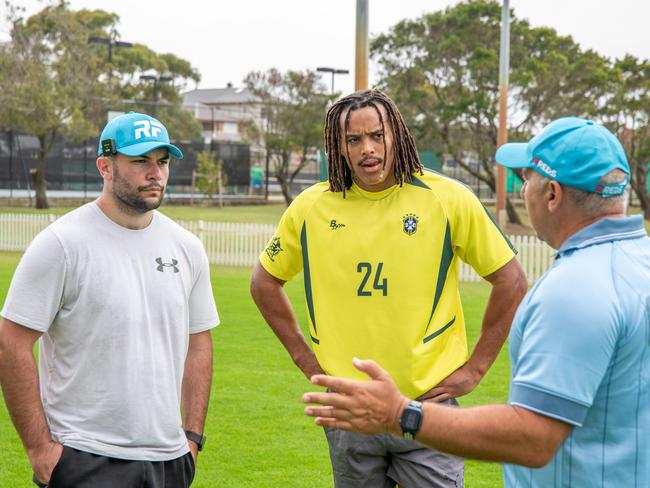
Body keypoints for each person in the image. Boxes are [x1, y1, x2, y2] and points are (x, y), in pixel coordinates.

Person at [303, 116, 650, 487]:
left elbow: (532, 437)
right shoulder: (640, 262)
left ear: (552, 194)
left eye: (526, 177)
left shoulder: (574, 291)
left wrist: (402, 414)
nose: (521, 189)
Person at [250, 89, 527, 487]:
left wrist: (477, 367)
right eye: (354, 140)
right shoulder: (311, 207)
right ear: (338, 147)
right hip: (350, 410)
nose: (368, 149)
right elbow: (264, 281)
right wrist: (305, 360)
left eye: (377, 135)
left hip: (427, 407)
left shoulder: (447, 199)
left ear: (395, 134)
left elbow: (512, 279)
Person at [0, 112, 220, 488]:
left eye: (162, 161)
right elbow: (11, 342)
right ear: (105, 165)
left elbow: (198, 344)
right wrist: (40, 450)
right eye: (140, 161)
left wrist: (192, 439)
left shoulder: (187, 248)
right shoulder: (62, 244)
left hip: (169, 461)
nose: (156, 173)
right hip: (85, 458)